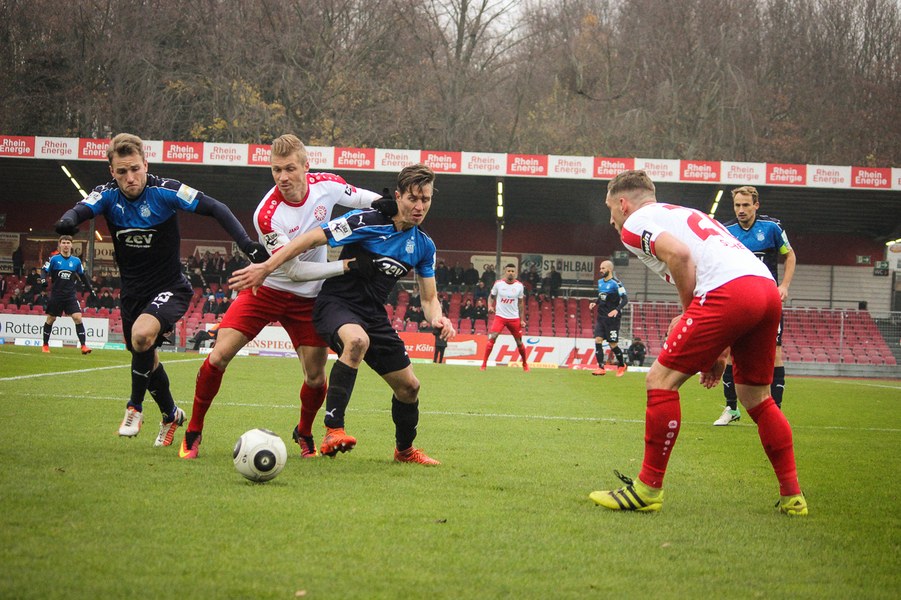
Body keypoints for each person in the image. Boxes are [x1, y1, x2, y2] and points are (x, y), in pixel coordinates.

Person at [590, 170, 805, 516]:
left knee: (660, 381)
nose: (611, 219)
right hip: (764, 289)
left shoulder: (634, 224)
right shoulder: (683, 213)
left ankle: (647, 489)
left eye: (610, 208)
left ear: (623, 203)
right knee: (757, 398)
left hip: (729, 292)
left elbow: (680, 256)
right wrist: (718, 349)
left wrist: (689, 313)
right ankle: (793, 496)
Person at [230, 163, 455, 465]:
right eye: (412, 198)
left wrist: (438, 318)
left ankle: (404, 451)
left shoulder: (424, 246)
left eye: (425, 199)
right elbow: (311, 238)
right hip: (336, 303)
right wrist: (267, 267)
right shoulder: (365, 221)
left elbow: (429, 298)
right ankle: (333, 430)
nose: (419, 207)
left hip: (373, 315)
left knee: (410, 387)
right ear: (398, 196)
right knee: (357, 341)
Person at [52, 132, 268, 448]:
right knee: (145, 357)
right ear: (112, 172)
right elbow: (82, 208)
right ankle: (170, 414)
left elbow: (216, 207)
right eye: (122, 171)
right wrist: (67, 220)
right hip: (132, 295)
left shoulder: (165, 191)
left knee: (141, 336)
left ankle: (134, 408)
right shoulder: (107, 195)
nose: (130, 177)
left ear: (146, 164)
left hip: (170, 288)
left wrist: (247, 244)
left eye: (135, 169)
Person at [179, 134, 382, 460]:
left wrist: (389, 207)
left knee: (315, 377)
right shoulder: (267, 214)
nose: (283, 177)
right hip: (267, 288)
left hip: (309, 298)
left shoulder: (327, 185)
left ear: (306, 166)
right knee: (218, 356)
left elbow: (362, 198)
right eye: (276, 170)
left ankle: (304, 432)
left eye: (289, 169)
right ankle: (193, 431)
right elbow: (294, 271)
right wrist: (345, 266)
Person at [715, 185, 797, 425]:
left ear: (756, 205)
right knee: (732, 352)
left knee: (775, 353)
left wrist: (784, 286)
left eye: (745, 205)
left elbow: (789, 255)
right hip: (739, 300)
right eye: (737, 205)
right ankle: (731, 409)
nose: (741, 209)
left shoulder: (772, 228)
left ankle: (776, 411)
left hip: (768, 300)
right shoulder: (726, 231)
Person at [39, 235, 95, 353]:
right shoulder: (54, 259)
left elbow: (82, 276)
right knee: (51, 319)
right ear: (60, 245)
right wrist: (43, 280)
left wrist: (90, 289)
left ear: (71, 245)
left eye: (68, 243)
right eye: (63, 243)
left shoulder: (76, 261)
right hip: (57, 295)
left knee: (77, 318)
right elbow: (44, 270)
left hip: (70, 295)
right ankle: (45, 345)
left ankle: (83, 346)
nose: (66, 245)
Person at [480, 263, 529, 372]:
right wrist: (490, 306)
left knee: (519, 342)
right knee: (493, 337)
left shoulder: (519, 286)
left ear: (515, 273)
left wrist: (521, 320)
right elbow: (491, 297)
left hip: (514, 318)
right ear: (505, 272)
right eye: (508, 271)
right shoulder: (498, 284)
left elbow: (520, 303)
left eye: (512, 271)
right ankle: (484, 364)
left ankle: (525, 364)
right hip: (500, 317)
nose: (510, 273)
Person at [589, 260, 629, 377]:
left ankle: (621, 365)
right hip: (601, 317)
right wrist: (595, 303)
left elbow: (625, 299)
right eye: (600, 268)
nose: (601, 270)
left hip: (612, 319)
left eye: (603, 268)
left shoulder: (617, 283)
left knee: (613, 344)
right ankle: (601, 368)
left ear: (609, 269)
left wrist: (617, 309)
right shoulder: (600, 282)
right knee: (598, 340)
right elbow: (602, 297)